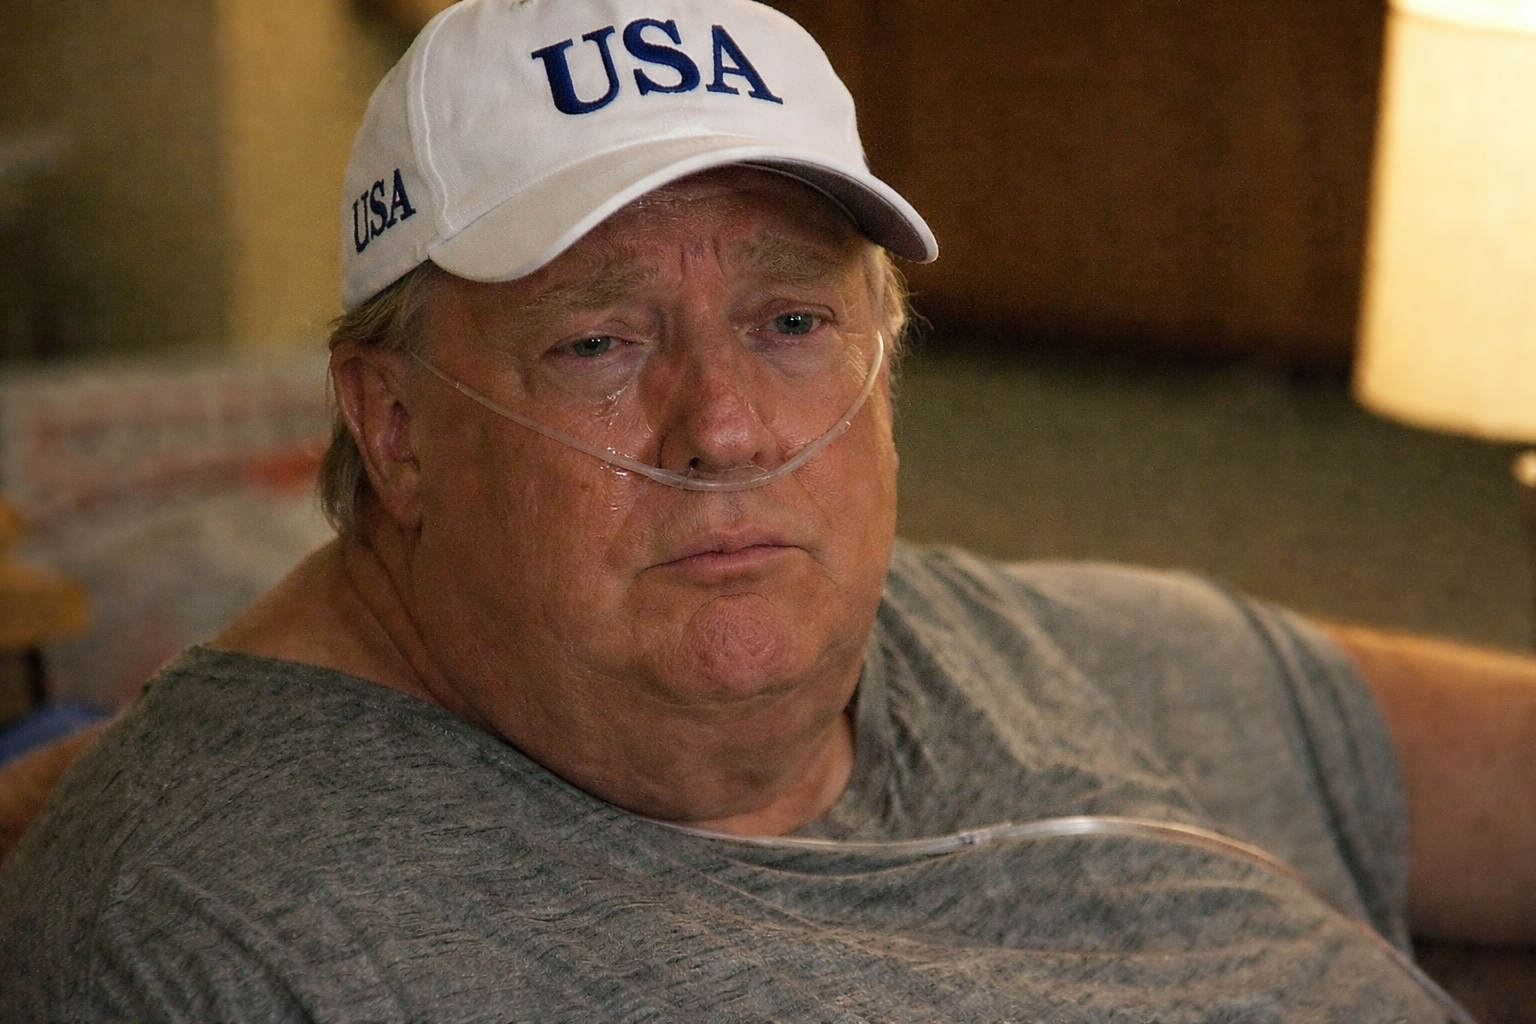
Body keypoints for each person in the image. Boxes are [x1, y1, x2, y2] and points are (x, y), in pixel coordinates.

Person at [2, 0, 1533, 1019]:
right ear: (394, 428)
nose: (726, 428)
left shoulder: (977, 636)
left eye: (794, 323)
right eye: (599, 344)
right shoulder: (210, 925)